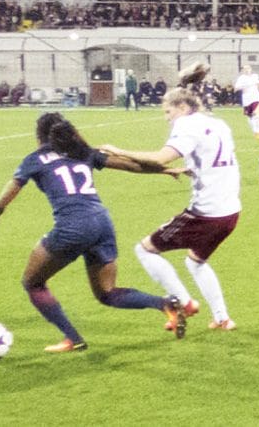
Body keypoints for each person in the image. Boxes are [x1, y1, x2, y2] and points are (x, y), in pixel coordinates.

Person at [0, 112, 188, 353]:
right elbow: (129, 165)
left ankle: (73, 338)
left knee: (33, 283)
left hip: (73, 227)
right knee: (107, 293)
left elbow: (6, 197)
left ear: (40, 136)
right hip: (102, 223)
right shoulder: (83, 152)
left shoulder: (35, 159)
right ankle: (166, 304)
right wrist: (164, 170)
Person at [101, 84, 242, 331]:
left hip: (205, 214)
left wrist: (118, 151)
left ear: (183, 107)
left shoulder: (186, 125)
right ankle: (222, 319)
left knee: (145, 249)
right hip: (230, 211)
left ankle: (185, 304)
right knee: (195, 262)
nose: (167, 118)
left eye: (168, 112)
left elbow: (160, 157)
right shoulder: (219, 123)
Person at [233, 64, 259, 139]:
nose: (247, 70)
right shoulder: (241, 78)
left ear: (251, 69)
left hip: (256, 97)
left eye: (248, 68)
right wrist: (243, 86)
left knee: (257, 113)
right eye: (245, 68)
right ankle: (255, 131)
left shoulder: (255, 76)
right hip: (247, 99)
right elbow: (235, 89)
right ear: (243, 70)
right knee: (250, 116)